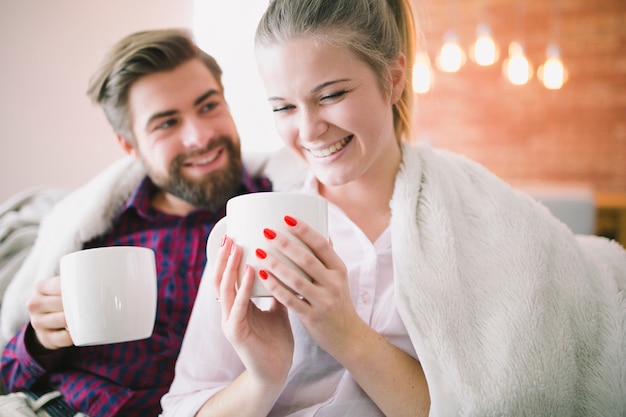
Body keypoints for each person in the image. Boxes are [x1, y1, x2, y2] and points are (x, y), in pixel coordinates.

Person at [162, 0, 626, 416]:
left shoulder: (474, 217)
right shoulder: (250, 229)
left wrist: (346, 333)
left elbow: (490, 402)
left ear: (394, 78)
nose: (309, 130)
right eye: (283, 107)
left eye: (331, 95)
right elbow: (185, 405)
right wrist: (263, 378)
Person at [0, 28, 272, 416]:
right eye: (166, 123)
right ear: (130, 146)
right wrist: (40, 339)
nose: (199, 136)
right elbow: (8, 374)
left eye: (209, 106)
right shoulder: (98, 228)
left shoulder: (270, 211)